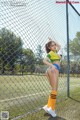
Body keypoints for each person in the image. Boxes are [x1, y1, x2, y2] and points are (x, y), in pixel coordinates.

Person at [43, 37, 62, 117]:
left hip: (51, 70)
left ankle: (48, 106)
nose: (54, 46)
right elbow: (44, 60)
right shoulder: (51, 53)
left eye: (54, 45)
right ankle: (52, 108)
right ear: (49, 48)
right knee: (54, 90)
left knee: (53, 90)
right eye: (52, 45)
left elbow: (59, 46)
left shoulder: (56, 51)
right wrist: (52, 66)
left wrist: (52, 40)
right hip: (54, 69)